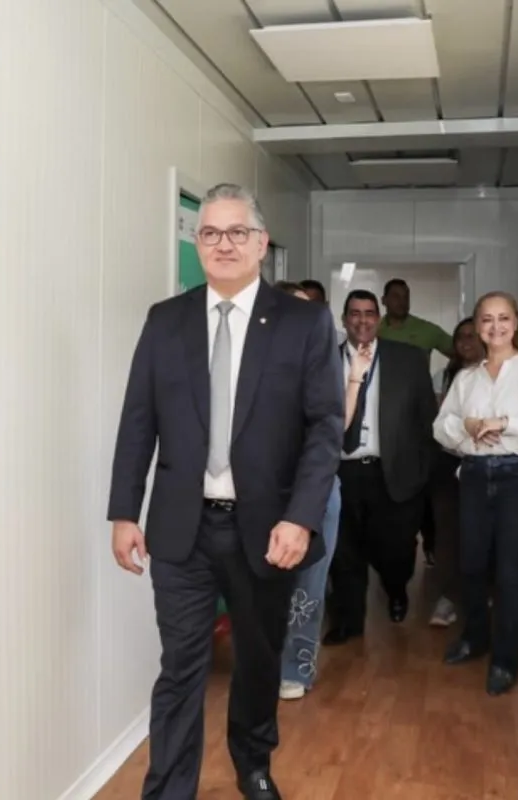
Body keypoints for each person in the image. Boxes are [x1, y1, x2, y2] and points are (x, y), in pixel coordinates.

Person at [107, 183, 342, 800]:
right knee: (180, 666)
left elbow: (324, 428)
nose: (224, 244)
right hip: (181, 529)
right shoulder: (166, 321)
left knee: (258, 661)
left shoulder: (304, 322)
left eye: (238, 232)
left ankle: (253, 763)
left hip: (267, 530)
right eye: (210, 232)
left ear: (262, 243)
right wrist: (124, 512)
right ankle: (168, 789)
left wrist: (302, 518)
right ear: (198, 243)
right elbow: (138, 421)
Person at [433, 291, 518, 696]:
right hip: (473, 475)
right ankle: (475, 637)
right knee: (471, 564)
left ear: (516, 322)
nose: (495, 327)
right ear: (477, 326)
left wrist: (506, 423)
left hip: (517, 479)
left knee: (509, 571)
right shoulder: (466, 378)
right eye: (487, 319)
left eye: (503, 318)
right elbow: (441, 428)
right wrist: (468, 427)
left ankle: (506, 661)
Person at [324, 290, 438, 644]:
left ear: (379, 318)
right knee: (344, 552)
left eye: (369, 313)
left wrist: (421, 474)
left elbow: (427, 421)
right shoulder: (323, 360)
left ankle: (397, 589)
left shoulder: (408, 359)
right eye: (355, 313)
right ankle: (349, 621)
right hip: (340, 472)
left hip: (392, 472)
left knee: (395, 549)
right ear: (344, 319)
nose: (362, 320)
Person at [272, 281, 369, 700]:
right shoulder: (249, 361)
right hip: (265, 490)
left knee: (308, 586)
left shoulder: (321, 361)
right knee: (262, 583)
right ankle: (261, 664)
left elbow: (335, 427)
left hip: (319, 490)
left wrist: (354, 378)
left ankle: (296, 669)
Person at [378, 278, 457, 566]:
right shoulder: (376, 330)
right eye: (396, 296)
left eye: (406, 296)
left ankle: (430, 544)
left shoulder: (426, 330)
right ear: (384, 300)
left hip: (418, 419)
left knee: (422, 486)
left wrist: (449, 386)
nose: (402, 301)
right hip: (384, 419)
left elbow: (461, 351)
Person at [428, 316, 485, 627]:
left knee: (482, 533)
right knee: (448, 533)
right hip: (449, 463)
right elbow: (441, 422)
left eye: (472, 336)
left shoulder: (497, 377)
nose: (465, 342)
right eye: (460, 336)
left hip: (484, 464)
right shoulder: (444, 377)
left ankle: (483, 595)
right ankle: (448, 597)